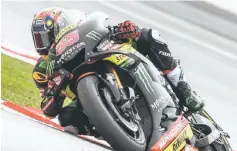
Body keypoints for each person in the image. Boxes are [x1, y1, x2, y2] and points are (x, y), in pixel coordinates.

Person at [31, 7, 204, 135]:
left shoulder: (82, 31)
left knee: (149, 36)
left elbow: (107, 30)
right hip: (86, 96)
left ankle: (183, 89)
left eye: (47, 37)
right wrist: (56, 93)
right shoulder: (42, 70)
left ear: (61, 27)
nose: (44, 44)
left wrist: (126, 30)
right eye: (39, 39)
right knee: (67, 119)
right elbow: (47, 109)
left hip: (114, 58)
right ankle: (113, 130)